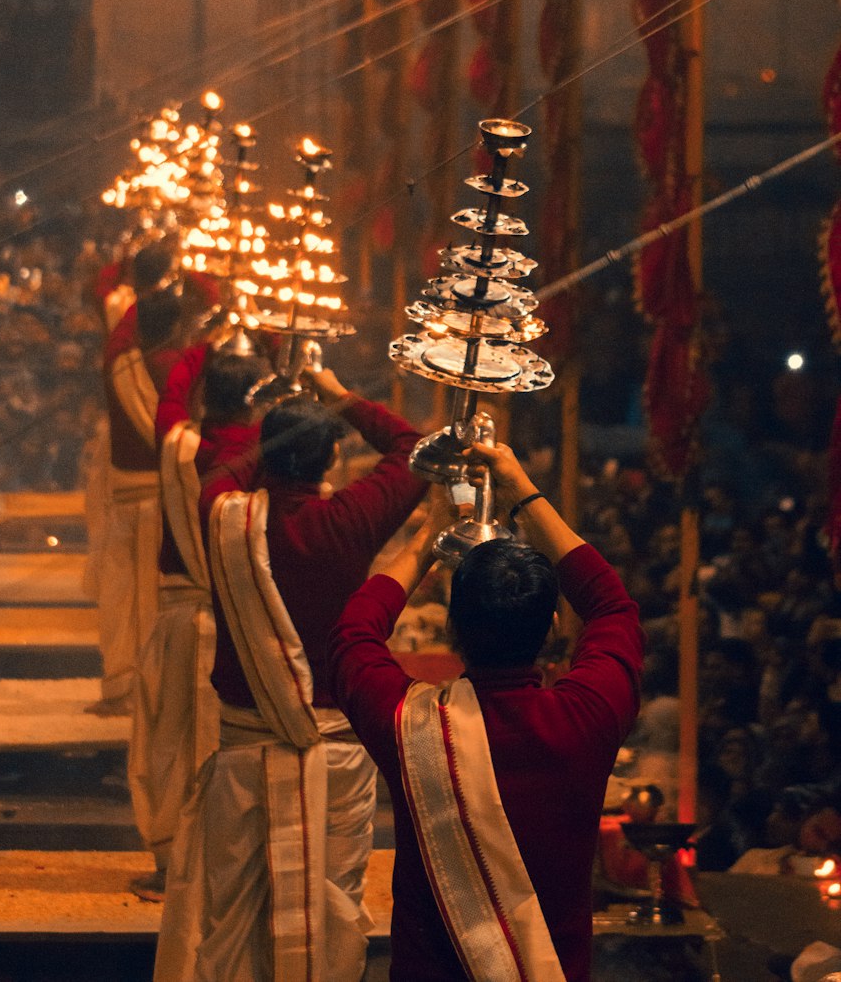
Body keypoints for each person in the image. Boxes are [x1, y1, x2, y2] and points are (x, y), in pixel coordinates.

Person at [327, 441, 644, 982]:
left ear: (452, 630)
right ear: (550, 629)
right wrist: (523, 493)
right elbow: (612, 604)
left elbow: (352, 634)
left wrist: (429, 537)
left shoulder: (411, 724)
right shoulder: (586, 717)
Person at [179, 367, 427, 982]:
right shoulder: (351, 519)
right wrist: (338, 394)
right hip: (337, 756)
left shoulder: (224, 517)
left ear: (264, 461)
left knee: (233, 916)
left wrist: (263, 424)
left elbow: (225, 466)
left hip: (244, 753)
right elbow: (414, 449)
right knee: (333, 907)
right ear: (333, 460)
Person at [140, 343, 269, 953]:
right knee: (218, 747)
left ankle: (175, 866)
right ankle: (216, 868)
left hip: (178, 615)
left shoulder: (179, 442)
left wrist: (202, 343)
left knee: (171, 740)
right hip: (237, 622)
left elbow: (168, 398)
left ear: (204, 398)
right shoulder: (262, 456)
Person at [91, 282, 187, 718]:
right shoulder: (173, 366)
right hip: (156, 498)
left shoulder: (123, 362)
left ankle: (120, 685)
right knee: (150, 598)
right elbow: (174, 435)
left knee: (120, 596)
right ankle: (145, 689)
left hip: (124, 495)